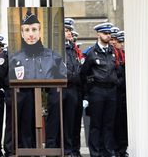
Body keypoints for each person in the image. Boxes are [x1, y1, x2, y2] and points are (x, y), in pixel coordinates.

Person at [9, 11, 66, 149]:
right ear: (22, 34)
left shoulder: (52, 55)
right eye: (27, 30)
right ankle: (28, 149)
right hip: (26, 97)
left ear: (40, 32)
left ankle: (51, 149)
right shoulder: (16, 58)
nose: (31, 34)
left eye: (34, 29)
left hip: (48, 98)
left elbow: (63, 75)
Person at [80, 22, 118, 157]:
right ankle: (95, 152)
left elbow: (117, 70)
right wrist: (86, 95)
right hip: (97, 91)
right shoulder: (90, 53)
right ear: (98, 34)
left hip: (111, 91)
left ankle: (107, 151)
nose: (108, 36)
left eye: (109, 34)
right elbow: (83, 74)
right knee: (96, 124)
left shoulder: (113, 52)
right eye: (105, 33)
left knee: (109, 124)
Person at [63, 18, 84, 157]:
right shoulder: (60, 48)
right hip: (66, 88)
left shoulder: (73, 49)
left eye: (70, 30)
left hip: (76, 89)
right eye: (66, 30)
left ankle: (75, 149)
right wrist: (75, 76)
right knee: (68, 122)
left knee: (76, 121)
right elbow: (64, 70)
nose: (69, 33)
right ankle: (68, 150)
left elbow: (79, 67)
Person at [112, 30, 127, 157]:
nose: (121, 44)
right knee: (115, 123)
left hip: (125, 94)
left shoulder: (125, 55)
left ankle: (122, 149)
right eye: (120, 42)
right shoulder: (113, 56)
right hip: (115, 92)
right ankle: (115, 149)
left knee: (124, 124)